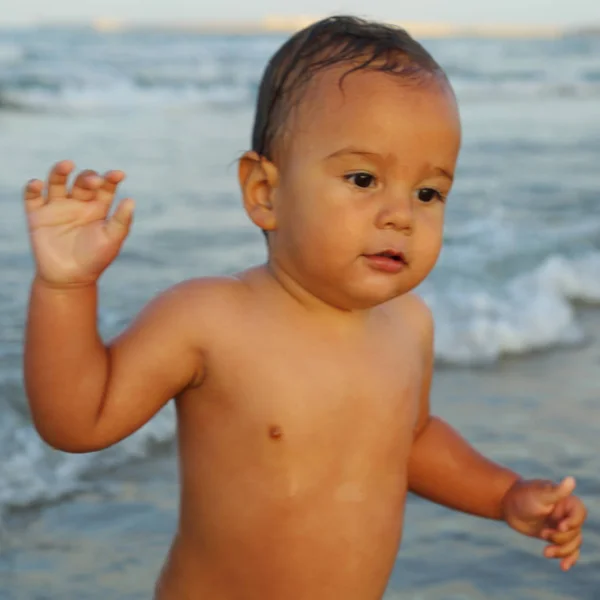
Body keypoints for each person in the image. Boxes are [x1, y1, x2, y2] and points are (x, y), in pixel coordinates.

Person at [22, 15, 587, 600]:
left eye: (428, 192)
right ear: (265, 193)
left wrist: (501, 495)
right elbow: (77, 421)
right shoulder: (211, 319)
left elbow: (411, 441)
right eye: (364, 178)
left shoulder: (409, 324)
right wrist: (65, 288)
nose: (401, 214)